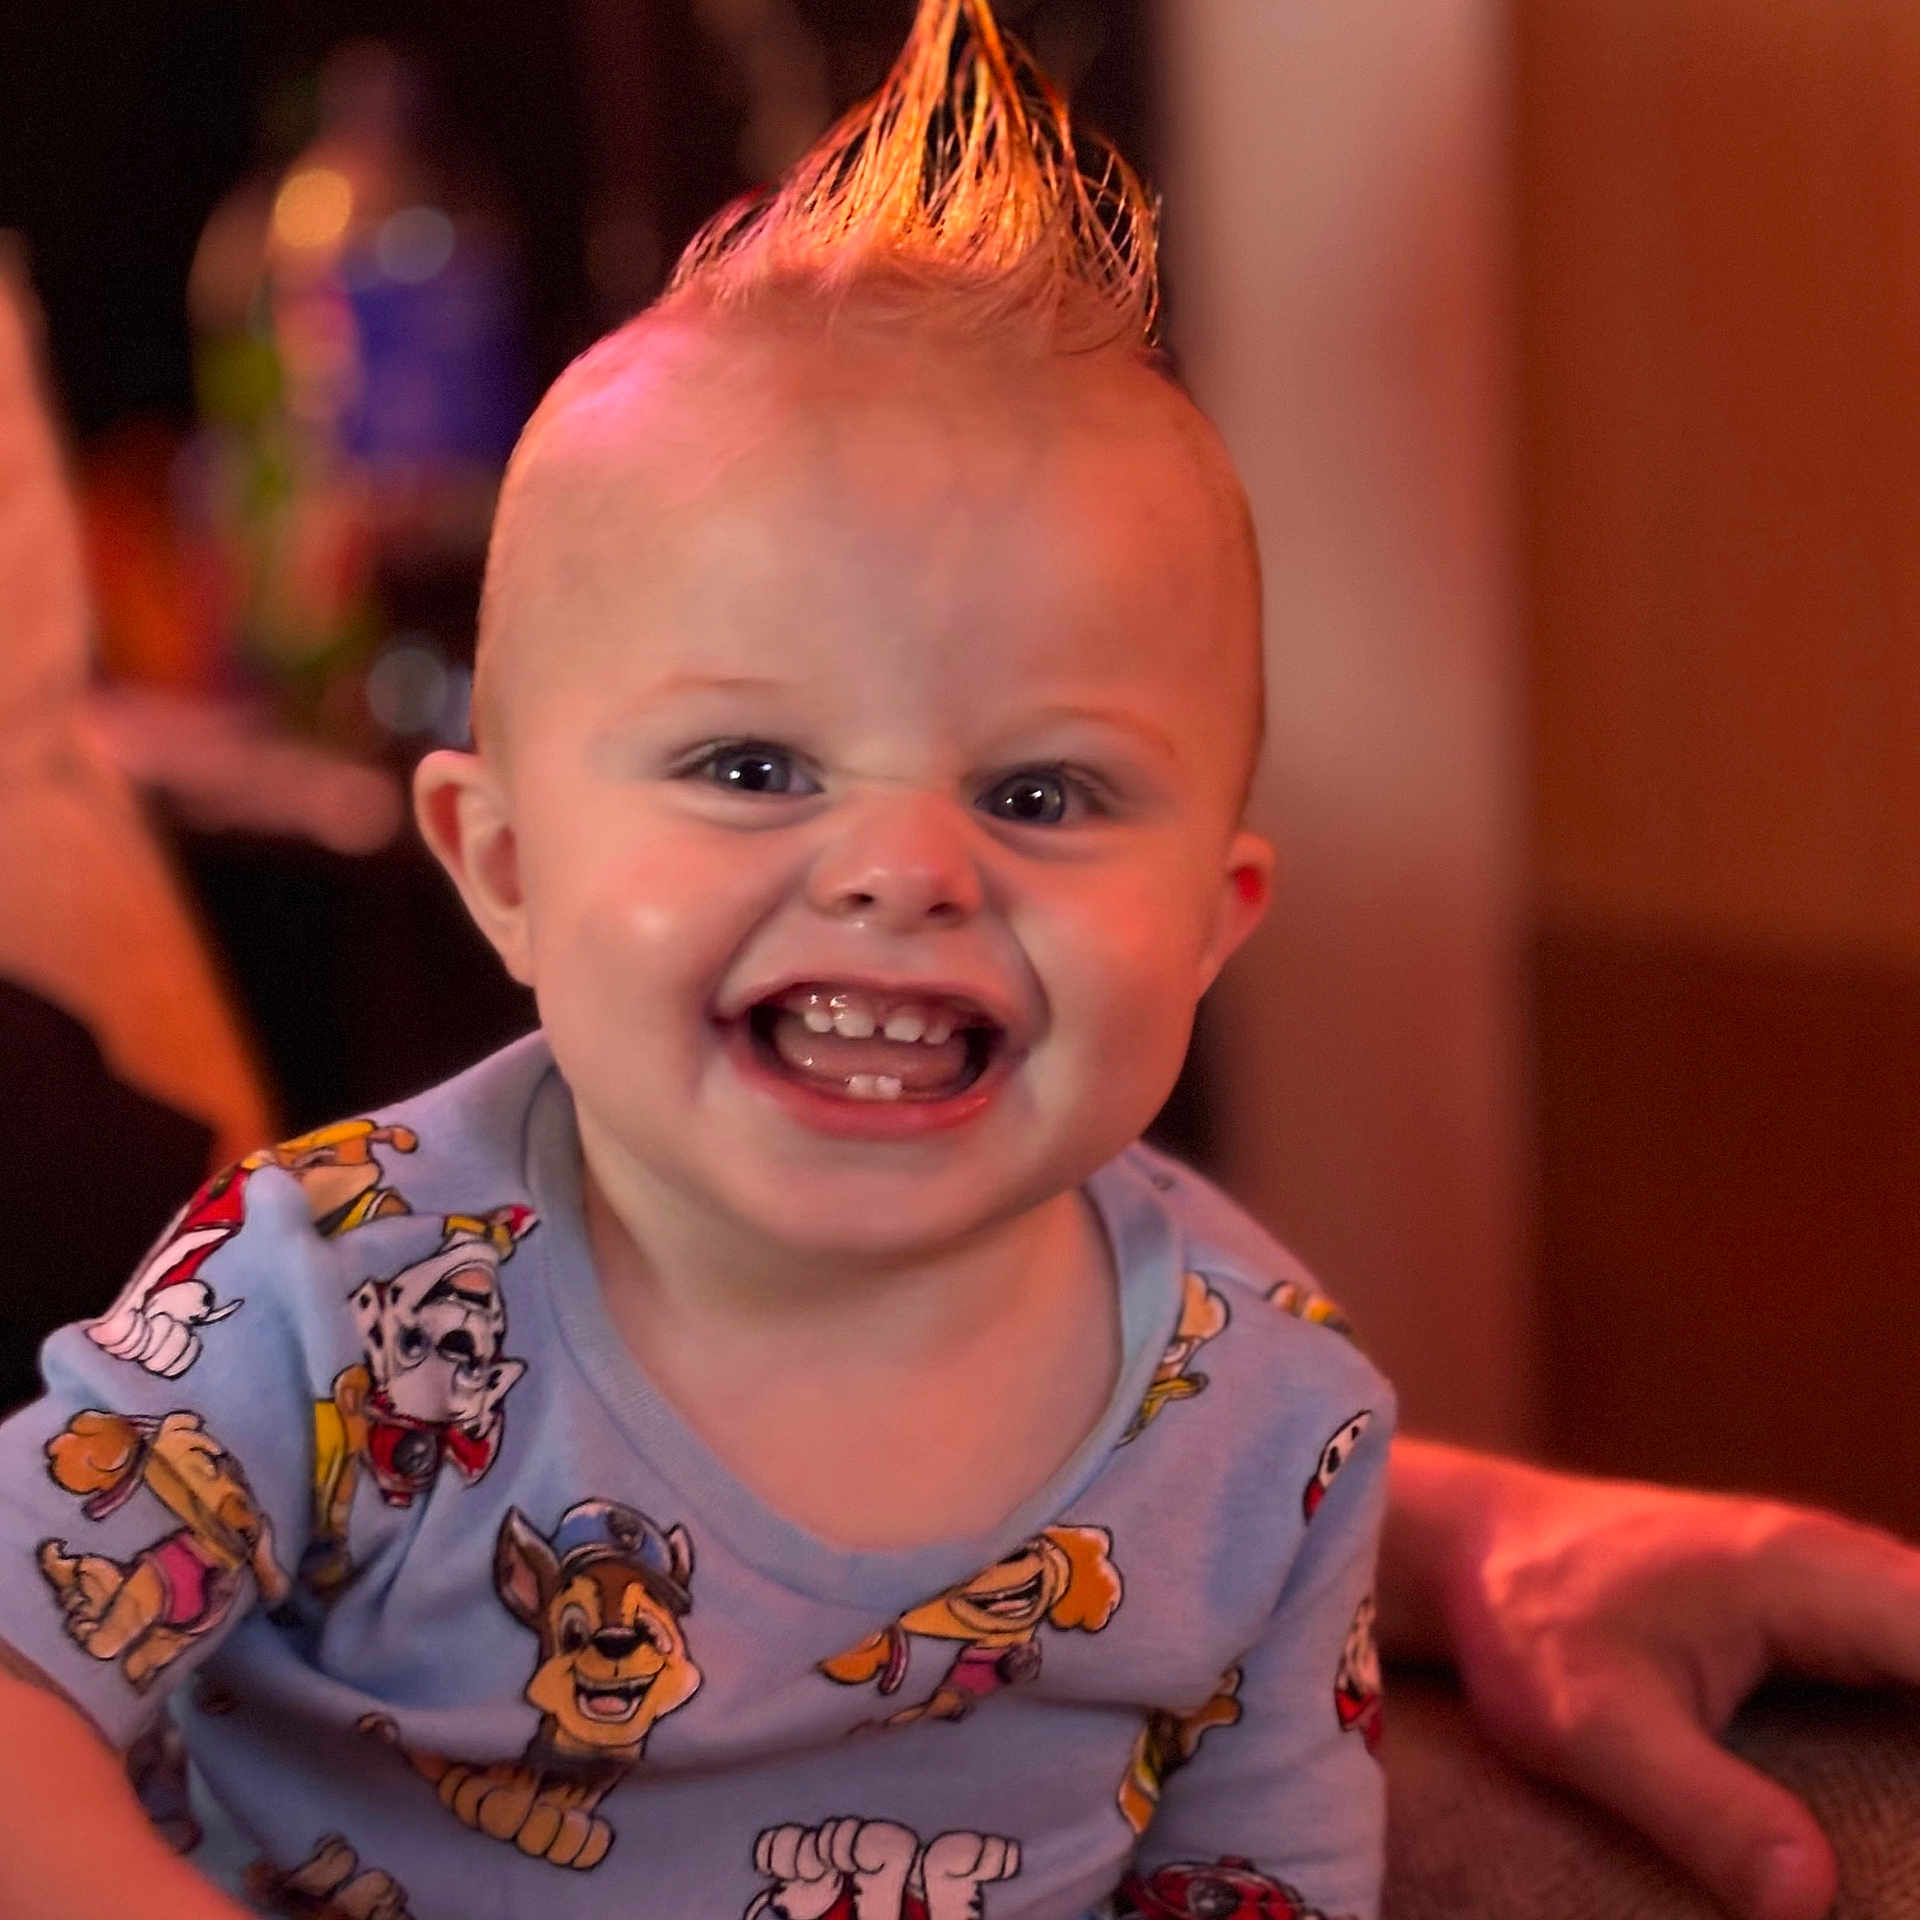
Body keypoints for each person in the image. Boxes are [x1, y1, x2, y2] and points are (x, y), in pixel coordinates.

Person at [3, 7, 1919, 1920]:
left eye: (1042, 792)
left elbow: (1259, 1880)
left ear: (1211, 919)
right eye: (752, 767)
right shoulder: (322, 1294)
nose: (908, 868)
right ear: (502, 865)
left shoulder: (1265, 1419)